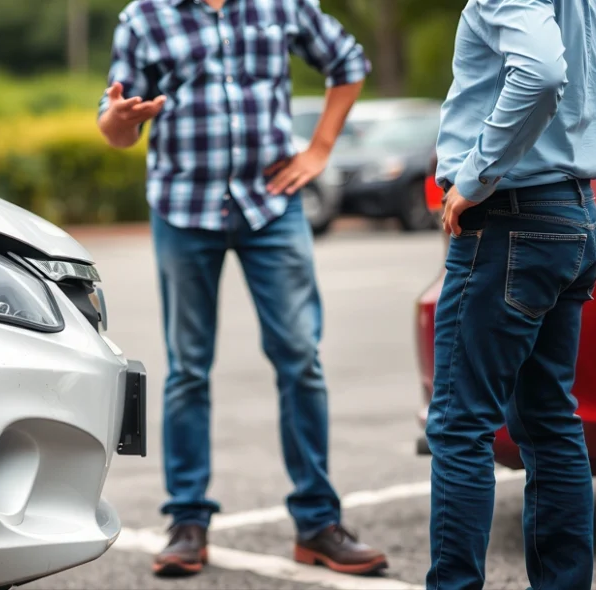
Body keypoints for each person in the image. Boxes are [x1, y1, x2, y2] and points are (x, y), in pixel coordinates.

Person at [97, 0, 388, 578]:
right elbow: (114, 130)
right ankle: (186, 523)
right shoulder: (145, 16)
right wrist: (125, 119)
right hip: (183, 208)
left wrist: (321, 149)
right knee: (188, 369)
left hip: (272, 206)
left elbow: (348, 61)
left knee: (300, 358)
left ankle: (317, 523)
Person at [428, 0, 596, 588]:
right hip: (572, 216)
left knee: (460, 425)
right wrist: (567, 157)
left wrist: (479, 174)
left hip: (511, 222)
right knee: (550, 419)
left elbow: (543, 72)